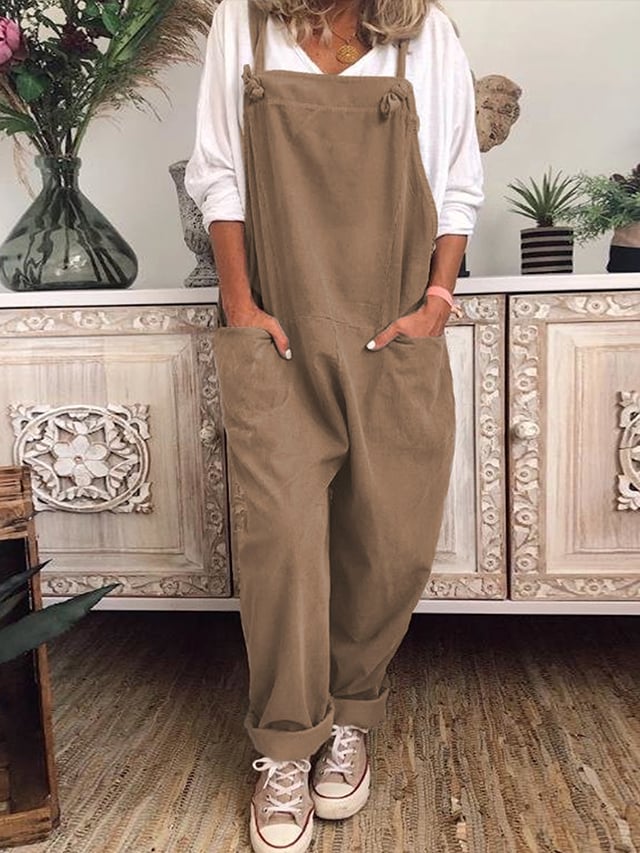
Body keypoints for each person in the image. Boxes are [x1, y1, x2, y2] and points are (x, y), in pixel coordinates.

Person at [185, 0, 483, 850]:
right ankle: (286, 743)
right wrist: (240, 304)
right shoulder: (243, 25)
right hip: (277, 331)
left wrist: (437, 299)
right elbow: (219, 172)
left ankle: (350, 711)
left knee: (389, 537)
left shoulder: (427, 36)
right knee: (281, 538)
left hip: (392, 328)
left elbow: (457, 181)